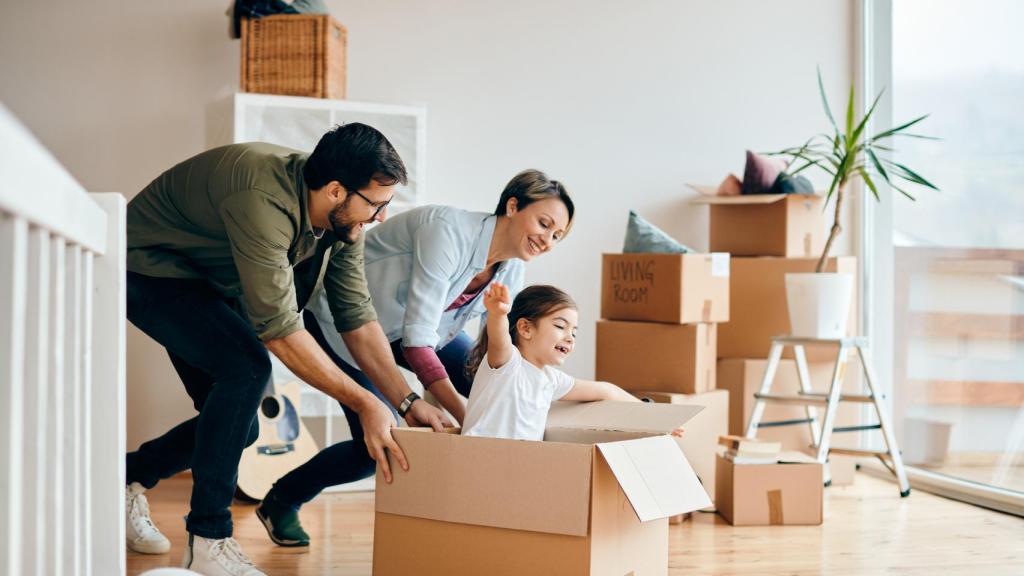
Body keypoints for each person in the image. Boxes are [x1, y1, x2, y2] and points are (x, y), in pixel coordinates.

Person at [122, 123, 450, 576]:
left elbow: (357, 316)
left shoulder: (341, 224)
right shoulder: (263, 198)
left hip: (209, 280)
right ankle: (208, 539)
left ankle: (123, 479)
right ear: (336, 190)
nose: (379, 217)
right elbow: (279, 330)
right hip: (149, 266)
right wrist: (363, 400)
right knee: (245, 370)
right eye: (376, 204)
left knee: (242, 427)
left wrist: (406, 401)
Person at [256, 169, 575, 545]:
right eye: (544, 223)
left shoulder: (513, 268)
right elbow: (417, 342)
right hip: (347, 323)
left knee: (499, 385)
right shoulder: (448, 232)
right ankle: (281, 500)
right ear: (512, 205)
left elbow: (502, 355)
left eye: (558, 235)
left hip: (421, 334)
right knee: (373, 443)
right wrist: (467, 417)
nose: (547, 240)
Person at [461, 283, 640, 440]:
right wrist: (498, 314)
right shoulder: (509, 362)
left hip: (517, 466)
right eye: (561, 326)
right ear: (525, 328)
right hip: (479, 459)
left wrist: (651, 411)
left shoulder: (552, 379)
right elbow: (498, 338)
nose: (570, 338)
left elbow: (607, 390)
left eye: (574, 332)